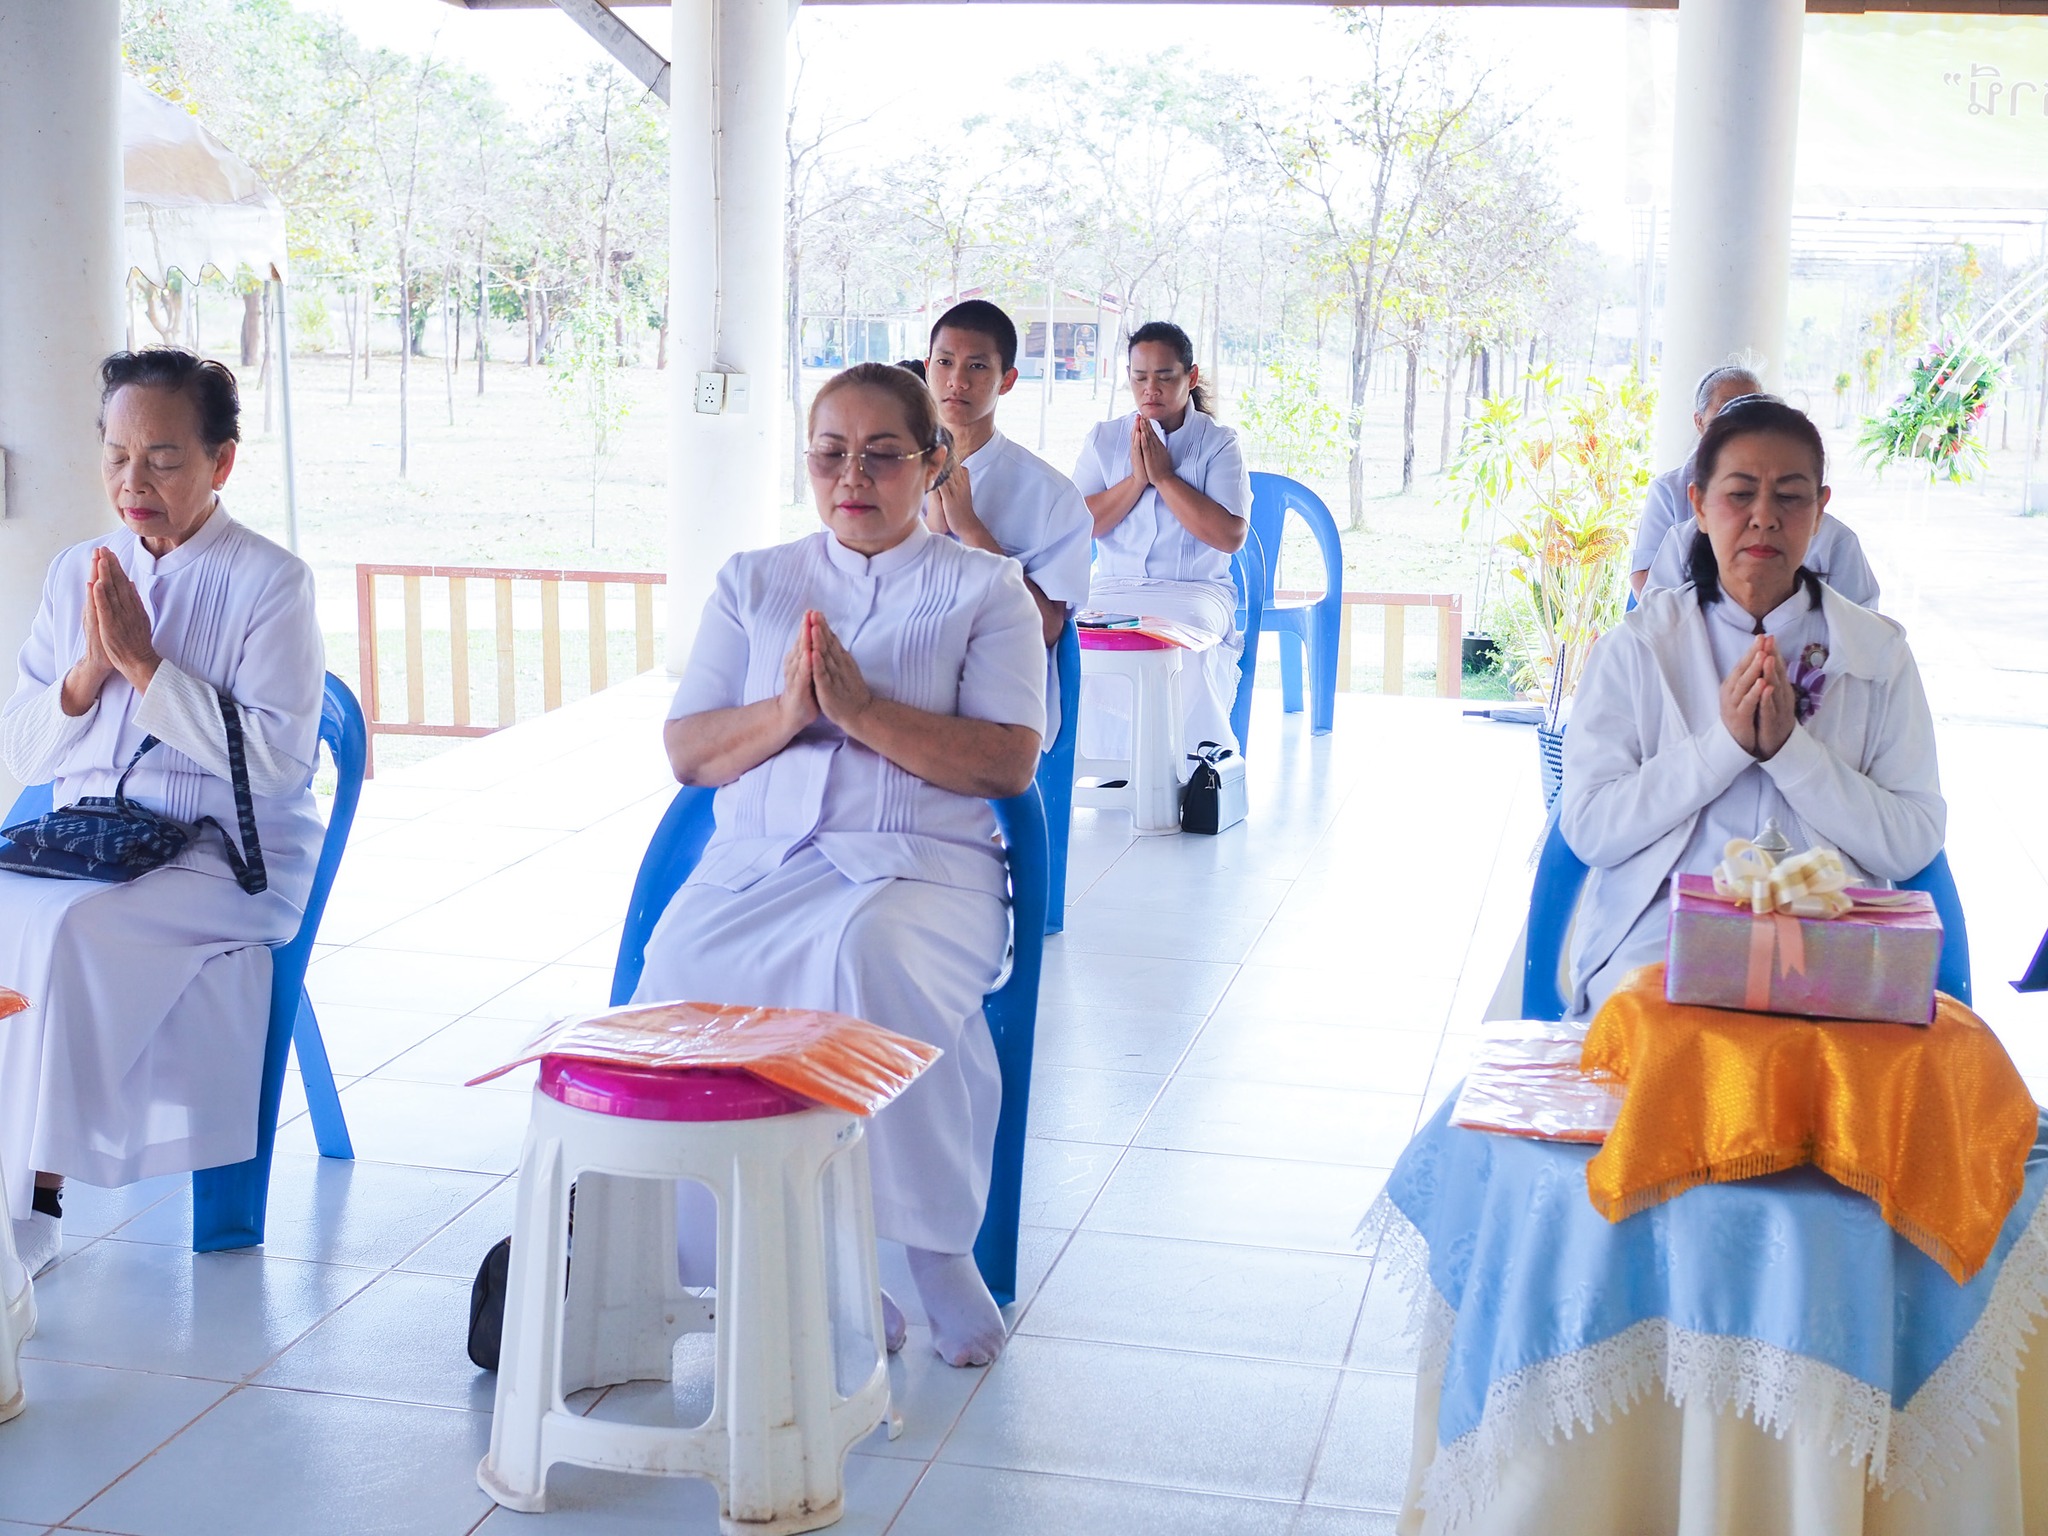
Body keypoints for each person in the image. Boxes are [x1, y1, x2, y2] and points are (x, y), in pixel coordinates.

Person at [636, 362, 1044, 1368]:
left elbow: (1007, 759)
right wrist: (788, 714)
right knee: (679, 972)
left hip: (921, 872)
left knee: (867, 957)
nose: (849, 476)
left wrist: (861, 713)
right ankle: (801, 1267)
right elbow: (689, 751)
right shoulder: (754, 581)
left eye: (881, 454)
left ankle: (929, 1250)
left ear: (930, 462)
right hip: (760, 866)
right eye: (829, 453)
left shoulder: (983, 589)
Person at [0, 350, 326, 1277]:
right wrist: (85, 674)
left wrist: (146, 668)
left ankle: (36, 1200)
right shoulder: (76, 573)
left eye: (163, 459)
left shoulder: (273, 583)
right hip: (82, 844)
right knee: (31, 913)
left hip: (219, 862)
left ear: (222, 462)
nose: (131, 483)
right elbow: (21, 753)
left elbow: (274, 764)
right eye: (114, 456)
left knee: (65, 933)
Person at [1560, 396, 1944, 1020]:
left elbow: (1913, 839)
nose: (1764, 517)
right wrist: (1723, 747)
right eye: (1740, 494)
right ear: (1699, 507)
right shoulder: (1637, 650)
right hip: (1665, 936)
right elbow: (1590, 828)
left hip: (1832, 931)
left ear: (1820, 512)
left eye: (1790, 496)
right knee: (1675, 1046)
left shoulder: (1878, 656)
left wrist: (1793, 754)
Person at [1072, 321, 1251, 761]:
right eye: (1139, 377)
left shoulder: (1218, 443)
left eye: (1165, 376)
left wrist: (1165, 478)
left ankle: (1189, 766)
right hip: (1112, 588)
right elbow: (1076, 525)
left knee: (1182, 649)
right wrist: (1136, 480)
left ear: (1190, 378)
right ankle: (1104, 763)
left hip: (1195, 592)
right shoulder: (1105, 439)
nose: (1150, 388)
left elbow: (1230, 536)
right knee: (1062, 640)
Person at [923, 299, 1093, 736]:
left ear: (1007, 380)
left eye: (977, 367)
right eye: (945, 362)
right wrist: (926, 536)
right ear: (927, 368)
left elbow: (1050, 628)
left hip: (997, 698)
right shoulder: (886, 473)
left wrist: (971, 529)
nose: (956, 380)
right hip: (904, 672)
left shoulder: (1050, 495)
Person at [1628, 364, 1762, 598]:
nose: (1743, 420)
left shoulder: (1784, 493)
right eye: (1727, 409)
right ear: (1699, 421)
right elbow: (1643, 581)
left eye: (1755, 408)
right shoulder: (1669, 490)